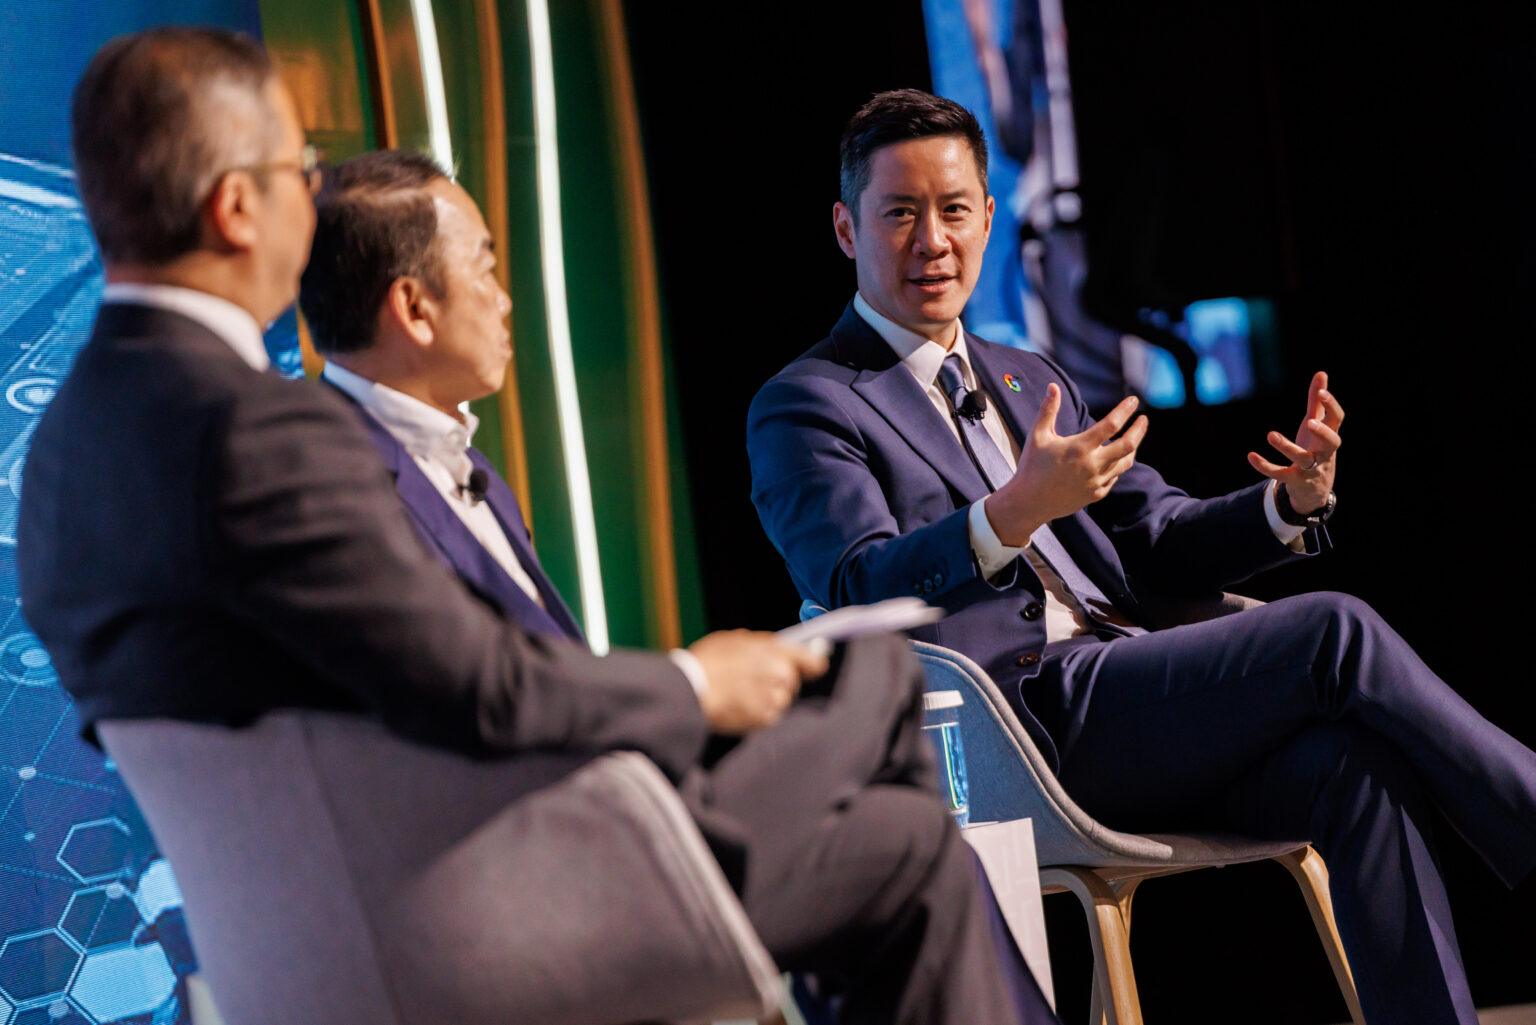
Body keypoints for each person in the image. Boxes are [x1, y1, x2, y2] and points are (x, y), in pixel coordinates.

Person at [18, 34, 1054, 1025]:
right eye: (298, 170)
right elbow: (479, 683)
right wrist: (696, 683)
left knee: (879, 769)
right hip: (467, 914)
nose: (312, 198)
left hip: (298, 947)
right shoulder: (260, 431)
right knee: (900, 816)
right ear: (239, 207)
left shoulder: (60, 450)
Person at [746, 87, 1536, 1025]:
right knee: (1336, 630)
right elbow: (855, 585)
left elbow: (1157, 540)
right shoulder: (808, 404)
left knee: (1353, 764)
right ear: (847, 228)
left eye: (954, 210)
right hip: (1014, 722)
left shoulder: (1025, 377)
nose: (933, 242)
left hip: (1133, 695)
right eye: (899, 214)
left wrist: (1287, 504)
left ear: (988, 217)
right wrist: (1007, 516)